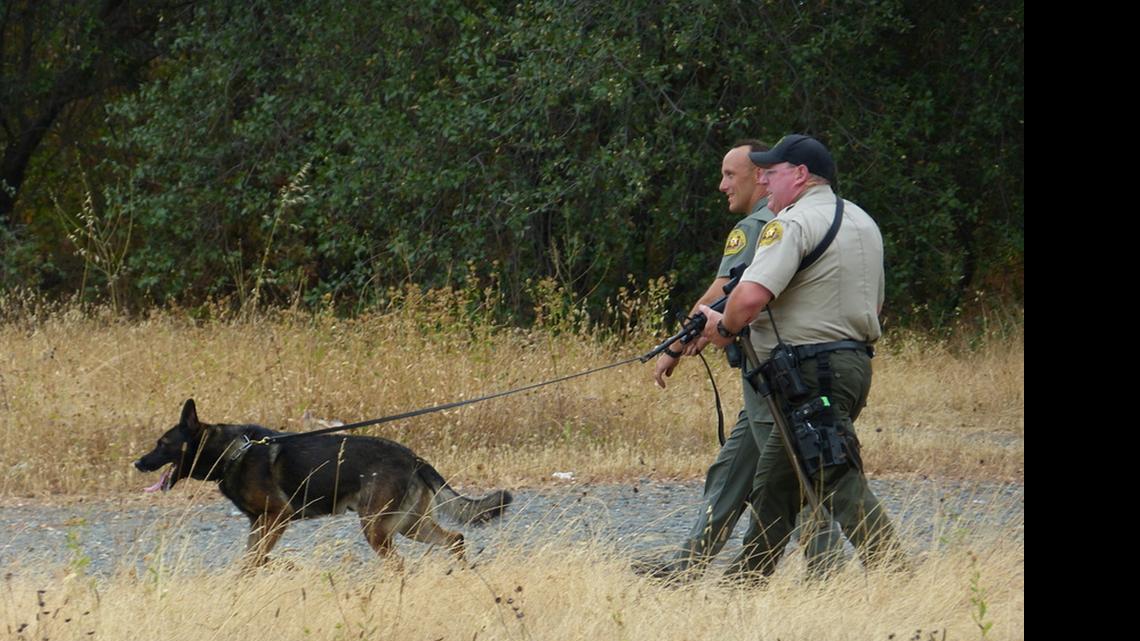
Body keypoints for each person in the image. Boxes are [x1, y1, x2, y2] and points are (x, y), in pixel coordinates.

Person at [699, 134, 909, 583]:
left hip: (808, 374)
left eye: (771, 174)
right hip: (854, 366)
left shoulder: (791, 223)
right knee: (777, 483)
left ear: (799, 175)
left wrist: (725, 328)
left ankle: (894, 573)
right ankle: (743, 585)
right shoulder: (862, 221)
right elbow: (874, 306)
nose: (764, 182)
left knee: (836, 476)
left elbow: (749, 297)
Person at [634, 140, 844, 583]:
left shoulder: (756, 226)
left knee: (789, 470)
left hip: (770, 371)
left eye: (731, 175)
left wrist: (675, 345)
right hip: (787, 366)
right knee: (734, 469)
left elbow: (721, 292)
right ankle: (690, 563)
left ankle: (823, 570)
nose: (722, 185)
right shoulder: (807, 217)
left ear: (759, 177)